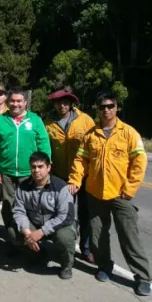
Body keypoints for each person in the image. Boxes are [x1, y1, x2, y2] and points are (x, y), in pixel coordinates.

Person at [68, 92, 152, 296]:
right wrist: (75, 179)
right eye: (102, 107)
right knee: (97, 235)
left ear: (116, 107)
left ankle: (142, 277)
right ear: (97, 110)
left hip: (120, 194)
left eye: (110, 106)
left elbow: (139, 163)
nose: (106, 110)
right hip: (95, 193)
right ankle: (104, 266)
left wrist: (130, 189)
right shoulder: (91, 135)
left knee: (129, 236)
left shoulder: (129, 133)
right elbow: (81, 160)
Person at [0, 88, 52, 238]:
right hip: (6, 173)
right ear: (8, 102)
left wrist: (45, 167)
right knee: (8, 206)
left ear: (25, 102)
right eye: (12, 101)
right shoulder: (0, 120)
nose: (15, 104)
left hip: (30, 172)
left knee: (31, 206)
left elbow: (44, 144)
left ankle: (30, 237)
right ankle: (12, 237)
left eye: (19, 101)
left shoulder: (35, 120)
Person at [46, 88, 96, 259]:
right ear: (54, 104)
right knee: (63, 212)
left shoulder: (85, 120)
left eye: (65, 103)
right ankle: (63, 247)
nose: (62, 106)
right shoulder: (48, 123)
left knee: (85, 213)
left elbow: (94, 145)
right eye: (58, 103)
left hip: (84, 175)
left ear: (71, 104)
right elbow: (44, 148)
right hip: (60, 175)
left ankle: (86, 248)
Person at [13, 152, 77, 279]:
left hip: (58, 226)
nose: (36, 170)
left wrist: (42, 231)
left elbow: (66, 216)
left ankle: (66, 265)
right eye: (33, 167)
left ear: (48, 167)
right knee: (13, 232)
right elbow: (19, 211)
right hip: (35, 223)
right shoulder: (23, 187)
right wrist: (28, 233)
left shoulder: (60, 187)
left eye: (40, 166)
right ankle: (39, 254)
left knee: (65, 237)